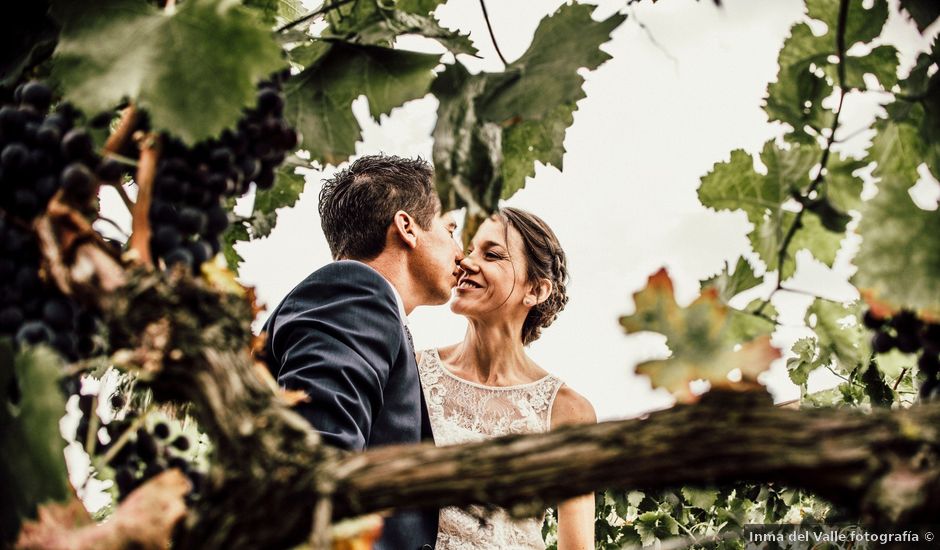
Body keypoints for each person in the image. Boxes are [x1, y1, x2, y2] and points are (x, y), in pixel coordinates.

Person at [263, 155, 463, 550]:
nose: (461, 251)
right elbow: (317, 463)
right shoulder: (355, 291)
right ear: (407, 227)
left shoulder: (359, 304)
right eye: (451, 228)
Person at [417, 207, 596, 550]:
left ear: (536, 290)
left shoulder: (568, 411)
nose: (467, 262)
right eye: (469, 250)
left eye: (492, 254)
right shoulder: (412, 372)